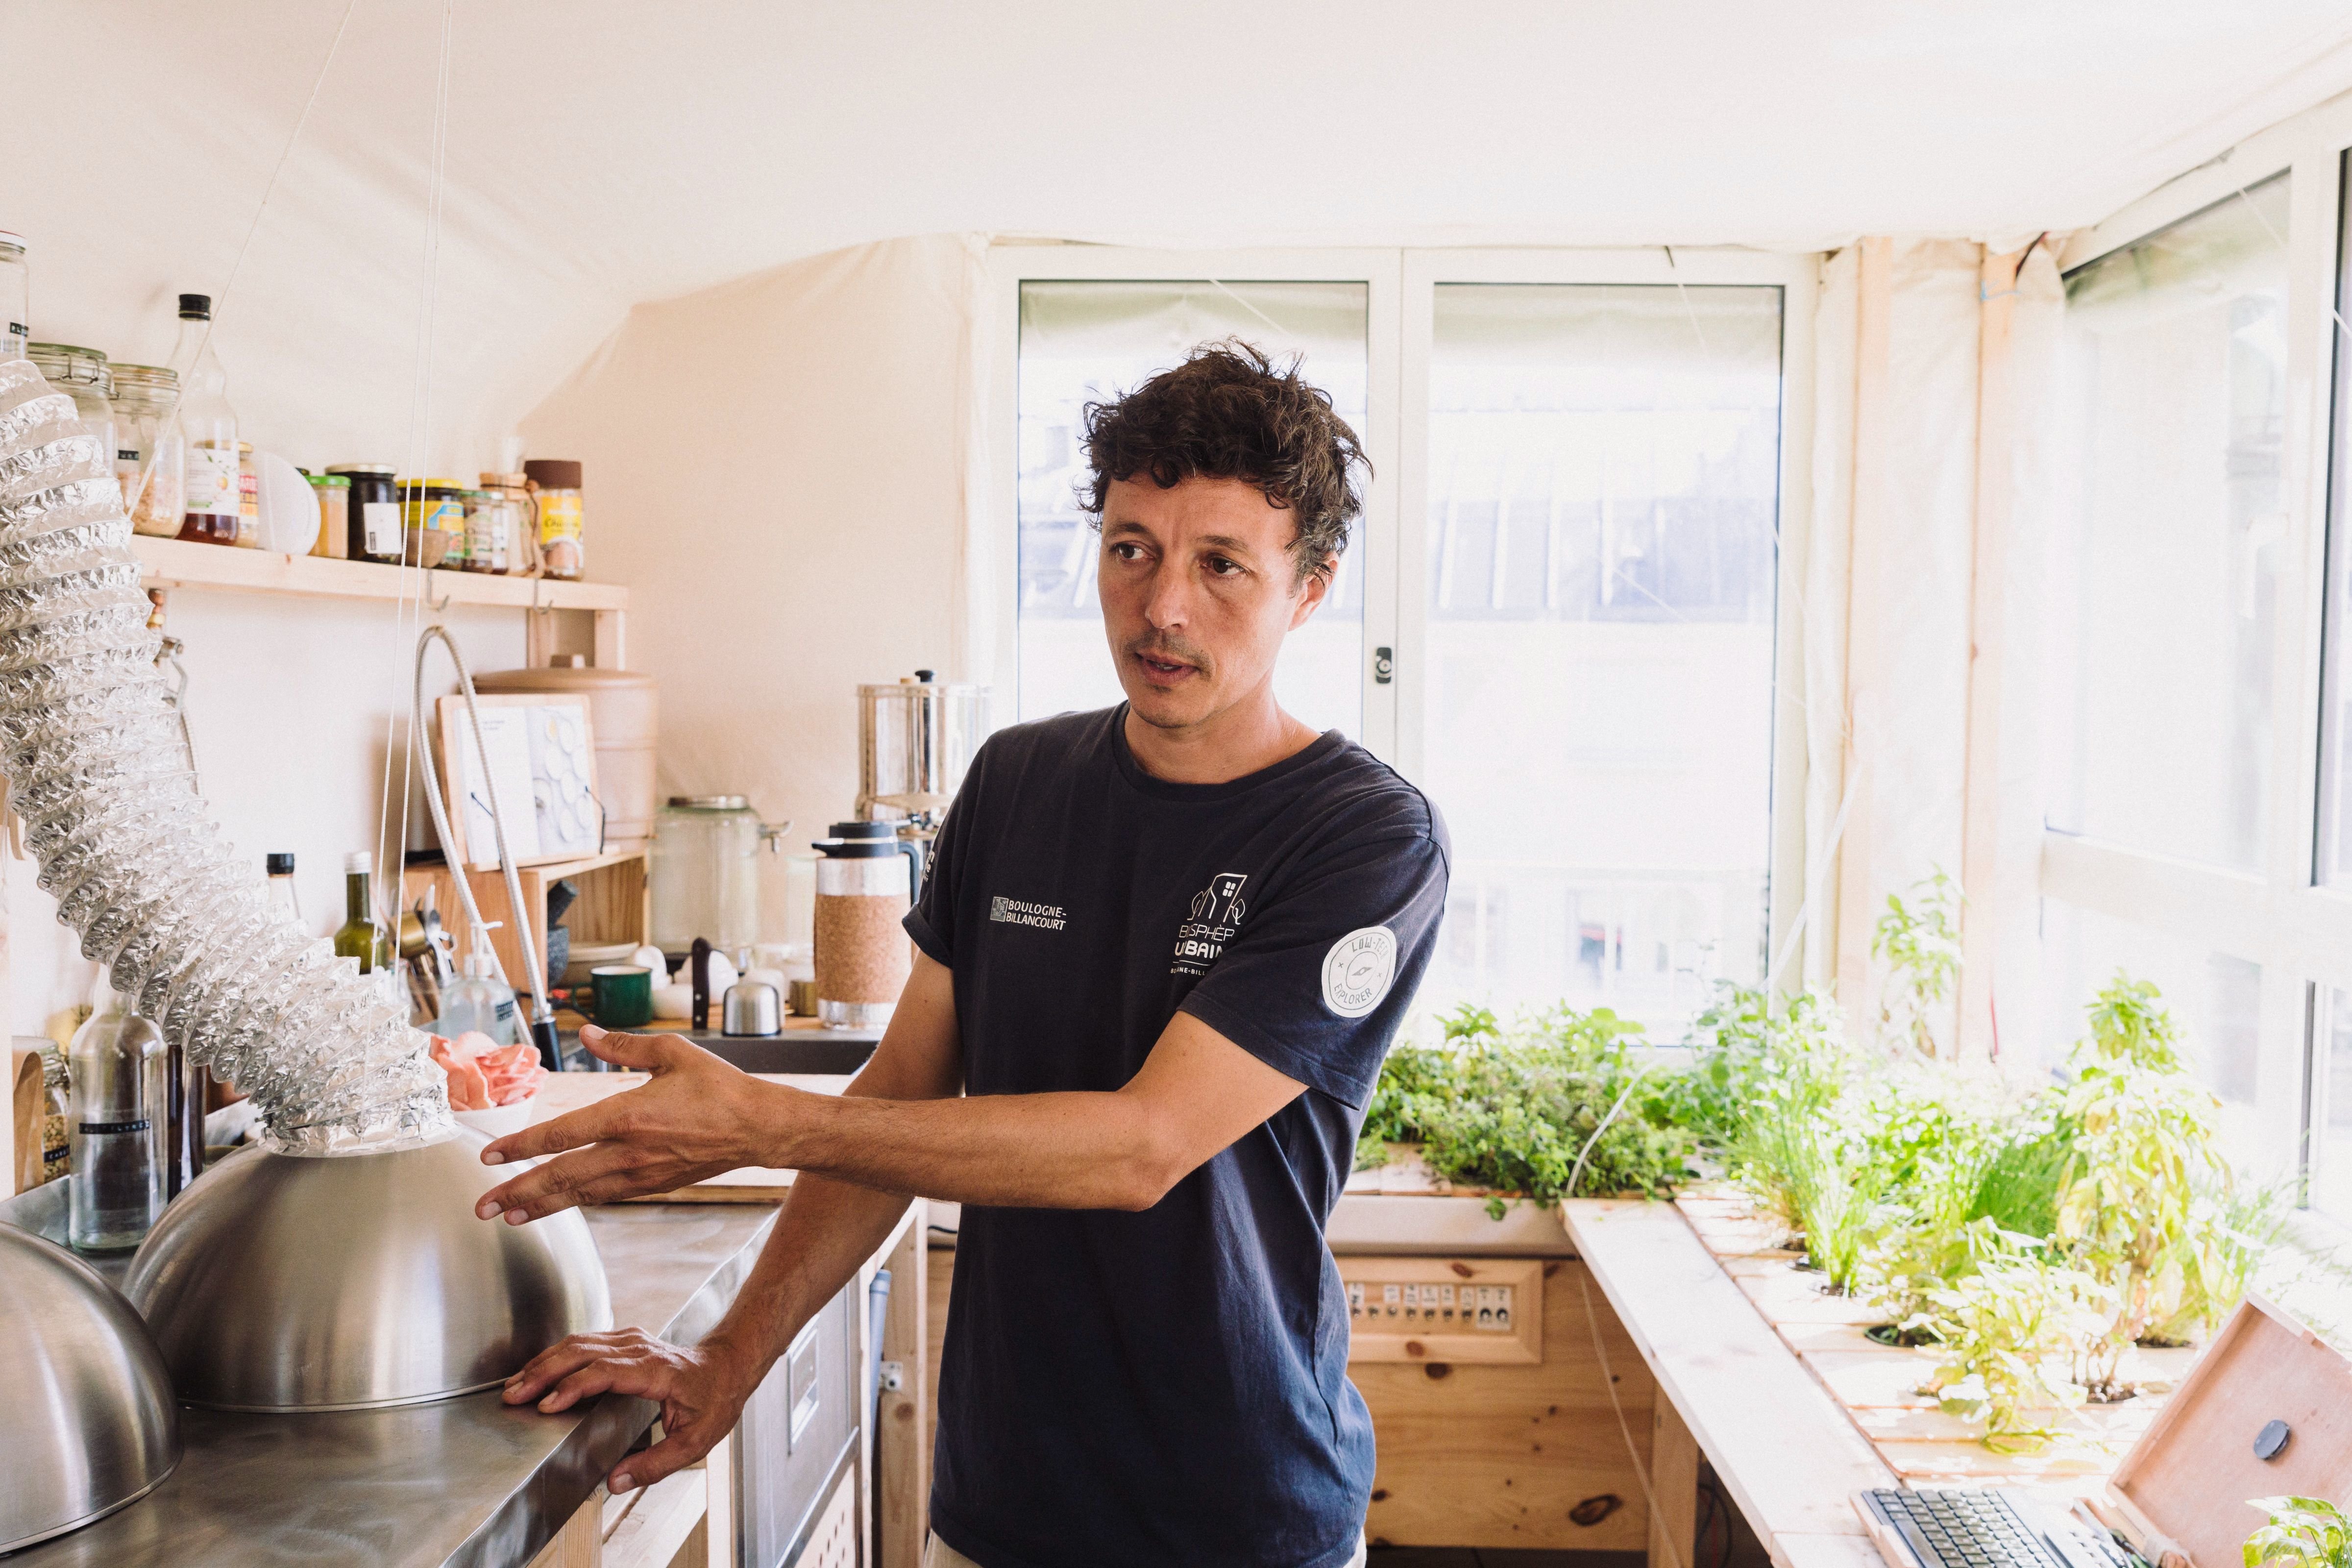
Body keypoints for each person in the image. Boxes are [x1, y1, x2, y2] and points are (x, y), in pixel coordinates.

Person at [478, 341, 1451, 1568]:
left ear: (1309, 588)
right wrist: (729, 1356)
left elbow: (1140, 1146)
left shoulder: (1365, 837)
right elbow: (901, 1091)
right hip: (1000, 1505)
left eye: (1222, 567)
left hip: (1238, 1513)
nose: (1163, 608)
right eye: (1132, 548)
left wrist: (769, 1123)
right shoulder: (1019, 780)